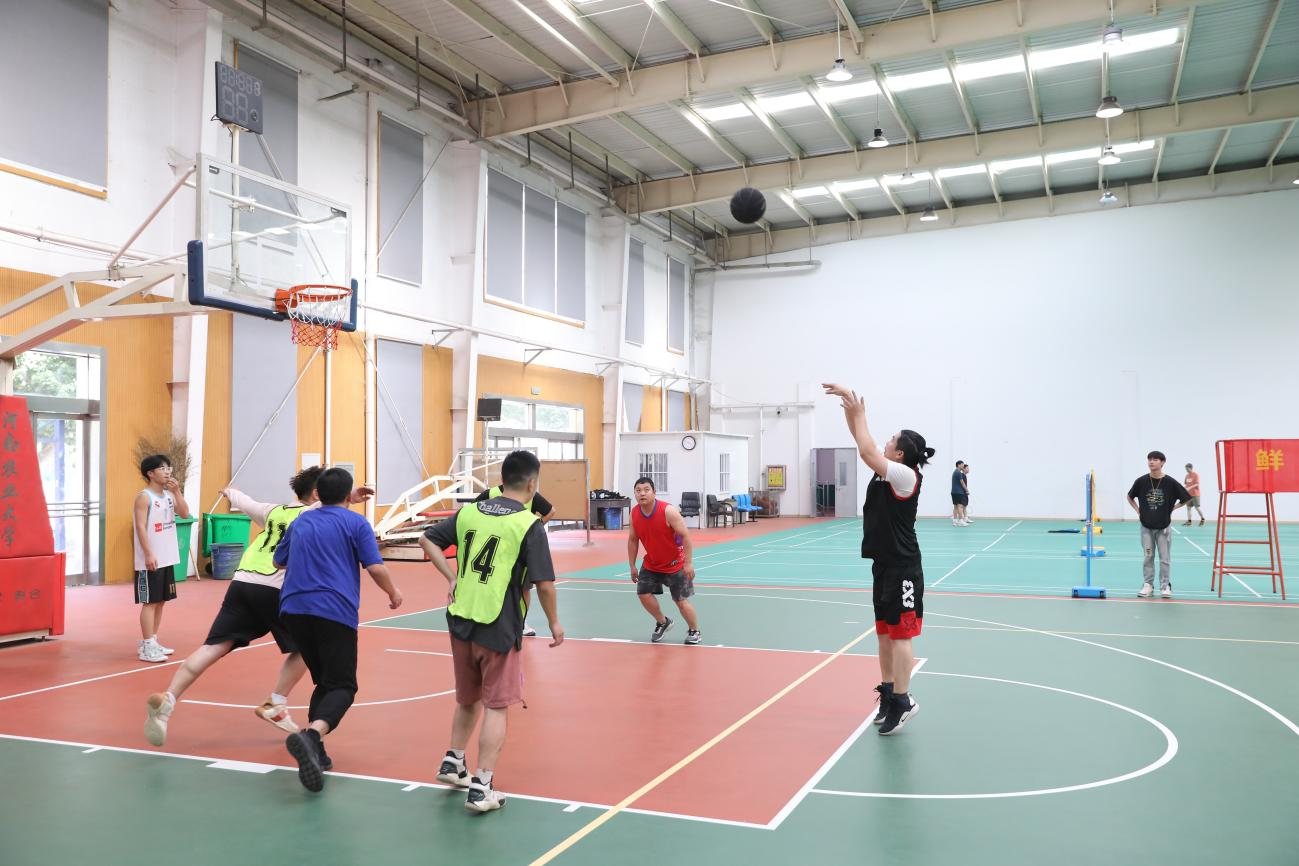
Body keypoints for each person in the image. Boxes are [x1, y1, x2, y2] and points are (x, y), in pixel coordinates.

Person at [142, 468, 374, 748]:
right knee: (306, 647)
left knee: (213, 646)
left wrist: (231, 493)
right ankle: (276, 702)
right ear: (317, 494)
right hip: (277, 588)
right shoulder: (313, 516)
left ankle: (169, 698)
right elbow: (326, 506)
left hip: (242, 583)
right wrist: (350, 496)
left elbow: (245, 501)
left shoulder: (273, 511)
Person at [420, 450, 564, 813]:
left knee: (467, 698)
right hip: (498, 624)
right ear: (532, 484)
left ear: (502, 479)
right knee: (497, 706)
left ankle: (454, 762)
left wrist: (452, 577)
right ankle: (482, 786)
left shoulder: (470, 511)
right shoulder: (528, 524)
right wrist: (555, 622)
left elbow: (428, 540)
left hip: (461, 618)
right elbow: (545, 584)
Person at [274, 467, 403, 792]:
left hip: (293, 609)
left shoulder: (301, 522)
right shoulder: (356, 524)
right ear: (349, 495)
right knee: (344, 686)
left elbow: (278, 561)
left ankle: (316, 751)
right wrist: (393, 592)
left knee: (326, 682)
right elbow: (375, 567)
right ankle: (312, 734)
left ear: (317, 494)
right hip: (333, 610)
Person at [823, 383, 933, 736]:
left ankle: (903, 699)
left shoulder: (905, 475)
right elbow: (865, 446)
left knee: (901, 636)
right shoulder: (888, 469)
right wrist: (850, 411)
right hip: (884, 565)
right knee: (884, 634)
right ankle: (888, 693)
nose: (885, 442)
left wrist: (860, 415)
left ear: (900, 454)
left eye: (891, 440)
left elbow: (867, 450)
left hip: (903, 567)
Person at [473, 480, 555, 636]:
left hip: (521, 550)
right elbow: (473, 512)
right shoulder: (490, 494)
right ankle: (490, 619)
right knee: (494, 585)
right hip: (497, 549)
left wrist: (535, 527)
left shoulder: (530, 495)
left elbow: (551, 511)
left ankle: (521, 623)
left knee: (524, 588)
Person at [628, 476, 700, 645]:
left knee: (680, 601)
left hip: (675, 565)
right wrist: (632, 565)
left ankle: (694, 631)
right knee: (643, 594)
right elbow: (632, 540)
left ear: (654, 492)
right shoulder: (634, 513)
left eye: (646, 490)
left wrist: (688, 563)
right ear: (635, 494)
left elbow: (686, 536)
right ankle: (662, 622)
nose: (642, 493)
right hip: (651, 564)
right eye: (638, 491)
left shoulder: (668, 511)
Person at [133, 454, 191, 663]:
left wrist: (177, 491)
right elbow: (140, 527)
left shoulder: (168, 495)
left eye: (169, 468)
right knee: (150, 602)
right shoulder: (144, 497)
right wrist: (148, 553)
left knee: (161, 601)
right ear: (150, 473)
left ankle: (153, 640)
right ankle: (147, 645)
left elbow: (184, 514)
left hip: (167, 557)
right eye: (162, 468)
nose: (167, 472)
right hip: (151, 559)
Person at [1126, 451, 1192, 599]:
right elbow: (1129, 497)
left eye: (1155, 459)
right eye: (1149, 459)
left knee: (1164, 558)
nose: (1151, 462)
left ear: (1162, 463)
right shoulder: (1141, 481)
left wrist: (1172, 508)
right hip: (1146, 528)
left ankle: (1165, 585)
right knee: (1148, 556)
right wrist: (1138, 511)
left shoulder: (1170, 482)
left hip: (1163, 528)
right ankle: (1148, 585)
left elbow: (1186, 498)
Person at [951, 461, 968, 526]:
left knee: (955, 507)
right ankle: (961, 520)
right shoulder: (958, 472)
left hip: (953, 492)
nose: (963, 466)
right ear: (958, 465)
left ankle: (955, 521)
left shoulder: (955, 472)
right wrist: (966, 490)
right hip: (958, 492)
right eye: (962, 464)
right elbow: (962, 483)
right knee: (960, 507)